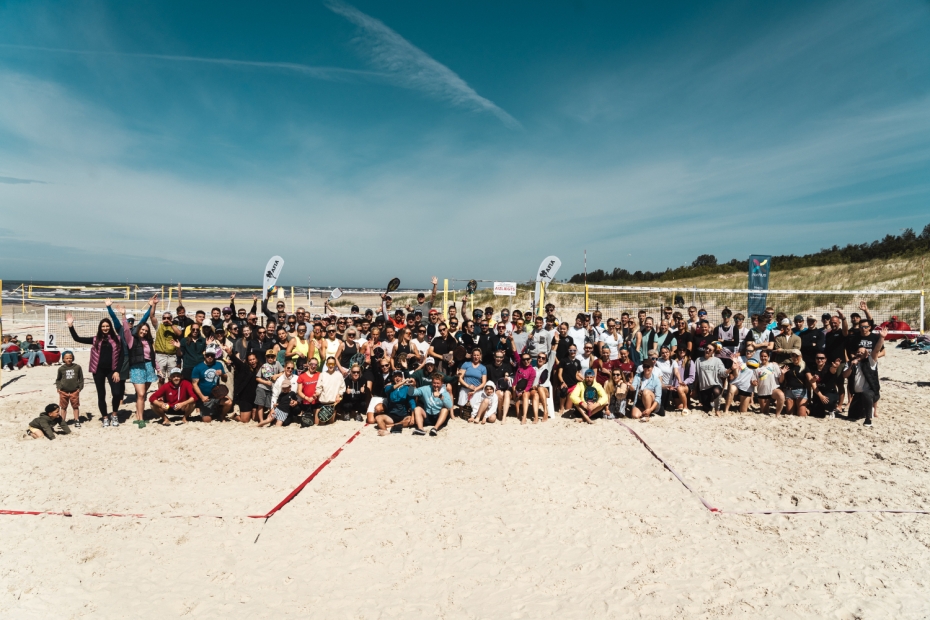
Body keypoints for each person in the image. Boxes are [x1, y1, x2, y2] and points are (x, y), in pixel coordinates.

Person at [67, 312, 123, 427]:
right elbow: (77, 338)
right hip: (98, 370)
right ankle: (105, 417)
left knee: (117, 393)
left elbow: (122, 356)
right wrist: (70, 326)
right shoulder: (95, 339)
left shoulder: (117, 339)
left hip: (113, 370)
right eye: (103, 326)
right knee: (101, 394)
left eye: (107, 326)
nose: (105, 328)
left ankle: (114, 414)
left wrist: (117, 370)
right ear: (100, 328)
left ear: (110, 327)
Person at [120, 305, 159, 424]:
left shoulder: (148, 341)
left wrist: (157, 368)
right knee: (141, 394)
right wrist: (123, 316)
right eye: (142, 330)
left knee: (142, 395)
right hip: (137, 367)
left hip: (148, 367)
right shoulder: (132, 339)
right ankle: (141, 419)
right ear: (138, 330)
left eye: (146, 331)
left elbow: (153, 356)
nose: (143, 331)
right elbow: (126, 331)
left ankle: (138, 415)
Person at [843, 326, 887, 428]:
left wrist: (881, 338)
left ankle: (868, 419)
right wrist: (851, 366)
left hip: (871, 393)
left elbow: (876, 351)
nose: (860, 354)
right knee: (852, 416)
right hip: (857, 394)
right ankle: (864, 410)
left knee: (866, 393)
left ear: (866, 355)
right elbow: (845, 375)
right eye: (858, 352)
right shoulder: (851, 363)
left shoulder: (870, 362)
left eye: (862, 353)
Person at [191, 350, 231, 423]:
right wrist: (202, 397)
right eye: (208, 355)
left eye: (212, 355)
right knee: (207, 420)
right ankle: (207, 409)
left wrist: (222, 374)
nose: (210, 357)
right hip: (205, 397)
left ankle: (222, 415)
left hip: (217, 394)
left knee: (229, 402)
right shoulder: (197, 367)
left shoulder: (219, 364)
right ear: (204, 356)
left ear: (214, 356)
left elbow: (225, 379)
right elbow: (194, 384)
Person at [225, 347, 261, 423]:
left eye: (253, 359)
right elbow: (236, 361)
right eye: (250, 360)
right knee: (245, 420)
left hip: (256, 398)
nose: (252, 361)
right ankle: (235, 415)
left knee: (255, 419)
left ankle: (251, 412)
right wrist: (230, 353)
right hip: (245, 398)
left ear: (257, 359)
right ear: (248, 361)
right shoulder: (245, 368)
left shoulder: (261, 369)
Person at [376, 371, 416, 435]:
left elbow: (412, 402)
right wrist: (403, 382)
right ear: (393, 378)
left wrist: (413, 416)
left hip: (403, 415)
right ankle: (385, 430)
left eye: (399, 376)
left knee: (411, 419)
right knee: (378, 418)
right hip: (392, 415)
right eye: (395, 376)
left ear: (402, 377)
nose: (397, 378)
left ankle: (392, 425)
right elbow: (389, 389)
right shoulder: (388, 387)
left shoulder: (407, 388)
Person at [722, 342, 756, 414]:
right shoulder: (739, 359)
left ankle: (739, 406)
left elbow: (756, 377)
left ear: (754, 352)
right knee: (731, 388)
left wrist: (754, 382)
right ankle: (726, 410)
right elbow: (736, 375)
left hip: (747, 388)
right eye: (747, 350)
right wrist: (735, 366)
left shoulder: (756, 363)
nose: (748, 352)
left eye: (750, 351)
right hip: (736, 384)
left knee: (743, 411)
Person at [695, 343, 728, 414]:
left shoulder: (717, 360)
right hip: (704, 388)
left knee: (716, 391)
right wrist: (694, 389)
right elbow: (696, 376)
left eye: (710, 350)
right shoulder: (698, 360)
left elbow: (723, 373)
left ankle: (717, 410)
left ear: (713, 352)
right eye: (706, 348)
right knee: (706, 408)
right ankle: (711, 403)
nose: (707, 350)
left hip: (715, 384)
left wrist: (730, 369)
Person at [806, 353, 843, 418]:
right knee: (818, 415)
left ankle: (831, 410)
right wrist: (821, 396)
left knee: (827, 402)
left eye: (822, 358)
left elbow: (832, 370)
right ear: (815, 359)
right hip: (818, 393)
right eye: (818, 358)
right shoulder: (812, 369)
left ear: (825, 359)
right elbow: (813, 385)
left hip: (830, 392)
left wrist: (835, 366)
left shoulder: (829, 367)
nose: (820, 360)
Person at [262, 362, 297, 428]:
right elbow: (275, 396)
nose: (290, 369)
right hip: (281, 405)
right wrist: (272, 409)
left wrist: (296, 402)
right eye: (288, 368)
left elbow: (298, 394)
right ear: (284, 368)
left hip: (291, 405)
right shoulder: (279, 380)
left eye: (292, 368)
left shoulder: (296, 378)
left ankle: (291, 416)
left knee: (297, 409)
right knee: (283, 422)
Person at [55, 350, 84, 427]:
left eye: (70, 358)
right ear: (63, 359)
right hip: (63, 391)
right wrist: (58, 388)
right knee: (63, 407)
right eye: (67, 358)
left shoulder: (77, 367)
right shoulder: (61, 368)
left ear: (73, 358)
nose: (69, 359)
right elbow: (58, 379)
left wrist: (79, 388)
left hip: (74, 391)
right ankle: (62, 422)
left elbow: (81, 379)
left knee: (75, 406)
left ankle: (76, 420)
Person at [314, 356, 346, 426]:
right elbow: (319, 388)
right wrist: (316, 394)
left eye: (332, 364)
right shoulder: (322, 375)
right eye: (329, 364)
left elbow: (342, 388)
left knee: (330, 423)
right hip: (322, 403)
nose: (331, 366)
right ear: (326, 364)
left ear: (335, 365)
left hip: (332, 404)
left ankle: (336, 413)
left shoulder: (339, 375)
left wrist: (339, 395)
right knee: (318, 423)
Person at [752, 349, 785, 416]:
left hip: (773, 389)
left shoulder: (774, 365)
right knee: (764, 412)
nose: (763, 358)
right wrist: (754, 383)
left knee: (781, 395)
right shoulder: (757, 367)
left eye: (765, 356)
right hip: (762, 391)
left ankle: (777, 415)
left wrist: (782, 374)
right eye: (761, 356)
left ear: (768, 357)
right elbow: (753, 381)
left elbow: (781, 380)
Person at [254, 349, 283, 425]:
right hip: (262, 387)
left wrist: (276, 375)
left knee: (270, 405)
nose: (270, 358)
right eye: (268, 357)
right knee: (260, 404)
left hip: (272, 389)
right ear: (266, 357)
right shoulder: (264, 366)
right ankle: (261, 421)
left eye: (272, 356)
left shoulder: (277, 364)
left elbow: (283, 372)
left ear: (274, 357)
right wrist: (265, 382)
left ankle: (270, 420)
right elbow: (257, 378)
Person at [779, 350, 809, 417]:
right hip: (789, 391)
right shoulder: (787, 366)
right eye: (793, 355)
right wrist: (782, 374)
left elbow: (809, 378)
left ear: (800, 356)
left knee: (801, 415)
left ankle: (806, 411)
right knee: (790, 414)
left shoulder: (804, 366)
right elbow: (781, 381)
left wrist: (814, 378)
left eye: (797, 356)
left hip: (800, 391)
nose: (795, 357)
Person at [153, 310, 179, 386]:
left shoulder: (175, 327)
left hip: (172, 356)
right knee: (161, 378)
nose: (166, 319)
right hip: (160, 355)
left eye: (168, 318)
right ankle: (161, 396)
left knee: (173, 377)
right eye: (164, 318)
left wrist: (171, 324)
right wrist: (153, 305)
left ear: (171, 319)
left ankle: (171, 395)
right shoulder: (159, 326)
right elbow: (152, 316)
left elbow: (179, 333)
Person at [295, 358, 322, 427]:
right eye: (311, 364)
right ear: (308, 364)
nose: (313, 366)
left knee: (317, 423)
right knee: (307, 424)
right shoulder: (302, 376)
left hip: (317, 402)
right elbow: (299, 391)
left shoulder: (319, 375)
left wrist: (317, 394)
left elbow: (322, 388)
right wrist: (306, 398)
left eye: (315, 365)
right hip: (306, 403)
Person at [513, 353, 537, 424]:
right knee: (514, 394)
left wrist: (523, 391)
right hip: (516, 388)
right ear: (522, 360)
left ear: (531, 359)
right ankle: (517, 412)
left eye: (528, 359)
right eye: (524, 359)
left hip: (525, 390)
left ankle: (524, 416)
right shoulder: (520, 366)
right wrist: (514, 390)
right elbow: (515, 382)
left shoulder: (532, 371)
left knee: (525, 395)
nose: (526, 361)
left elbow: (529, 384)